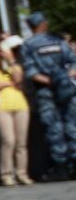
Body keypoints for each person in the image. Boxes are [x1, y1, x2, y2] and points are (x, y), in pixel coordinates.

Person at [19, 12, 76, 180]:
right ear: (43, 23)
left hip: (46, 90)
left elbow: (31, 72)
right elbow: (73, 62)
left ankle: (61, 167)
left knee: (54, 128)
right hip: (65, 88)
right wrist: (65, 78)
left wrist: (50, 81)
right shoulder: (57, 41)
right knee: (72, 126)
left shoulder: (28, 45)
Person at [0, 35, 32, 186]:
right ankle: (6, 174)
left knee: (21, 143)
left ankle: (22, 173)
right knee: (8, 140)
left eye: (1, 49)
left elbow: (18, 79)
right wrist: (8, 83)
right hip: (1, 106)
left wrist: (10, 61)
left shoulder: (15, 65)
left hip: (20, 105)